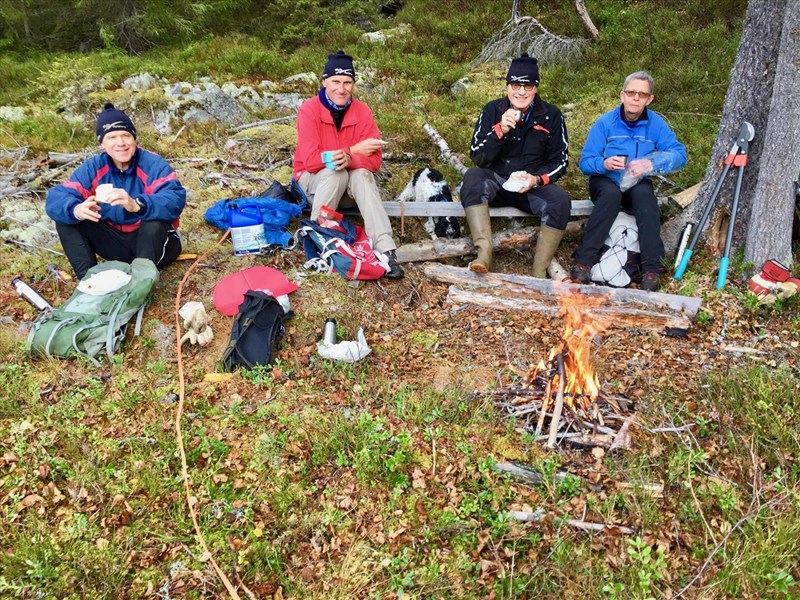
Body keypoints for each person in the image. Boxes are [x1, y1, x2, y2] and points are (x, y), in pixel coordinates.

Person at [570, 71, 687, 291]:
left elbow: (679, 155)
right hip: (605, 180)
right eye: (631, 93)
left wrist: (651, 164)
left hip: (636, 181)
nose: (636, 98)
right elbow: (585, 161)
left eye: (642, 94)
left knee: (645, 197)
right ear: (622, 95)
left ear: (649, 99)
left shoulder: (656, 124)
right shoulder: (605, 123)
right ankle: (584, 262)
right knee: (611, 196)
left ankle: (651, 269)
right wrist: (604, 163)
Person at [293, 50, 404, 279]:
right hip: (312, 183)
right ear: (324, 82)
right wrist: (349, 151)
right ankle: (317, 242)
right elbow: (312, 161)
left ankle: (386, 250)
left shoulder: (362, 112)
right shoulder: (309, 110)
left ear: (353, 84)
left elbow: (374, 161)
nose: (341, 89)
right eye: (335, 81)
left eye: (347, 82)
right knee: (336, 174)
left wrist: (351, 160)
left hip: (346, 188)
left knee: (361, 174)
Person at [46, 103, 186, 280]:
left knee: (153, 224)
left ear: (134, 138)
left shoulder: (152, 164)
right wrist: (77, 209)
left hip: (159, 243)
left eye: (126, 135)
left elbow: (174, 198)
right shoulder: (93, 167)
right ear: (102, 143)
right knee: (68, 219)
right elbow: (57, 198)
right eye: (112, 137)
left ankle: (140, 283)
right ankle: (89, 282)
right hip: (117, 245)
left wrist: (137, 205)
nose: (121, 143)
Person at [461, 53, 570, 276]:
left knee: (560, 201)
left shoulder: (551, 115)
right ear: (508, 86)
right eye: (516, 84)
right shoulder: (492, 110)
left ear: (536, 88)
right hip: (496, 183)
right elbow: (477, 156)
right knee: (472, 178)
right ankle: (484, 254)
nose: (521, 92)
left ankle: (539, 271)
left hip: (530, 188)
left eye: (528, 85)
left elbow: (560, 160)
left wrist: (537, 179)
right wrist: (499, 130)